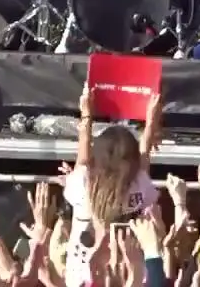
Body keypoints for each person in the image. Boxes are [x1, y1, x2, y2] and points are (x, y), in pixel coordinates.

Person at [62, 84, 164, 286]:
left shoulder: (83, 183)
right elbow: (143, 159)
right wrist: (151, 122)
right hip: (130, 274)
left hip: (82, 278)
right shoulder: (138, 184)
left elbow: (83, 160)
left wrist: (87, 115)